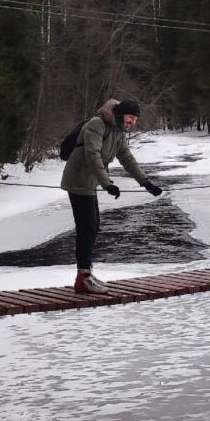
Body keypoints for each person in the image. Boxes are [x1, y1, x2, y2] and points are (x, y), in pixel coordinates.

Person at [61, 98, 163, 293]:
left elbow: (127, 159)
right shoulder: (97, 124)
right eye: (130, 117)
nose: (132, 122)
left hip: (89, 182)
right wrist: (107, 183)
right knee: (87, 229)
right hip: (78, 181)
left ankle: (86, 274)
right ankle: (83, 278)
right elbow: (92, 155)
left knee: (93, 227)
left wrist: (146, 183)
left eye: (135, 119)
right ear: (120, 114)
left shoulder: (117, 132)